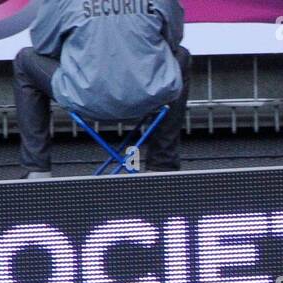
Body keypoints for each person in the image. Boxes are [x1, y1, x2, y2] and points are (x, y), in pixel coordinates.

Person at [13, 0, 191, 178]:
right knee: (181, 57)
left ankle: (37, 169)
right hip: (150, 96)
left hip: (85, 98)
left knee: (24, 60)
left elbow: (44, 45)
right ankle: (163, 164)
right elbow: (174, 38)